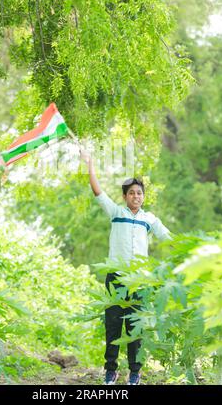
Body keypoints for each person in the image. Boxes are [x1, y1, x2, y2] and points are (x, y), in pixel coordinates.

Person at [80, 149, 172, 386]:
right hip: (116, 279)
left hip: (139, 281)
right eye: (131, 193)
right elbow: (97, 191)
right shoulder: (116, 213)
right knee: (113, 326)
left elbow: (168, 238)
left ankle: (134, 373)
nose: (136, 196)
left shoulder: (149, 219)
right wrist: (90, 164)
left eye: (139, 193)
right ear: (124, 196)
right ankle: (110, 371)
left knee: (135, 328)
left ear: (143, 196)